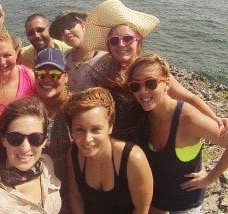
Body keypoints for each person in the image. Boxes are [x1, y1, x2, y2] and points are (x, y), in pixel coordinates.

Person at [84, 0, 222, 132]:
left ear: (138, 41)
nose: (121, 44)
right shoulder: (104, 70)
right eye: (114, 40)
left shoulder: (150, 69)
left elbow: (187, 97)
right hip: (116, 137)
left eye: (127, 39)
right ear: (109, 45)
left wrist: (216, 120)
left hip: (149, 136)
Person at [126, 53, 228, 214]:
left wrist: (210, 178)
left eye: (151, 83)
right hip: (159, 194)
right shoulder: (143, 116)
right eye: (135, 86)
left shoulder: (188, 119)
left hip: (186, 199)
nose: (143, 92)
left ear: (167, 84)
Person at [64, 87, 153, 214]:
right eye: (79, 129)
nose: (87, 139)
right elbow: (75, 197)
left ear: (110, 126)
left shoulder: (132, 158)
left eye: (96, 129)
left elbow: (141, 209)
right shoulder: (74, 154)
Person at [0, 97, 63, 214]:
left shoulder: (46, 164)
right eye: (16, 138)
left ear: (44, 141)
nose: (25, 148)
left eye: (35, 138)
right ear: (4, 139)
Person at [34, 47, 74, 214]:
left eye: (55, 74)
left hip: (77, 195)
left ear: (65, 76)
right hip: (41, 198)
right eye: (41, 73)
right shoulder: (28, 111)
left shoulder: (78, 109)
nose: (47, 78)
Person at [49, 11, 107, 93]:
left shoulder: (105, 57)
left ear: (83, 24)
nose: (66, 32)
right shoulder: (62, 60)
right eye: (61, 31)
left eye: (69, 25)